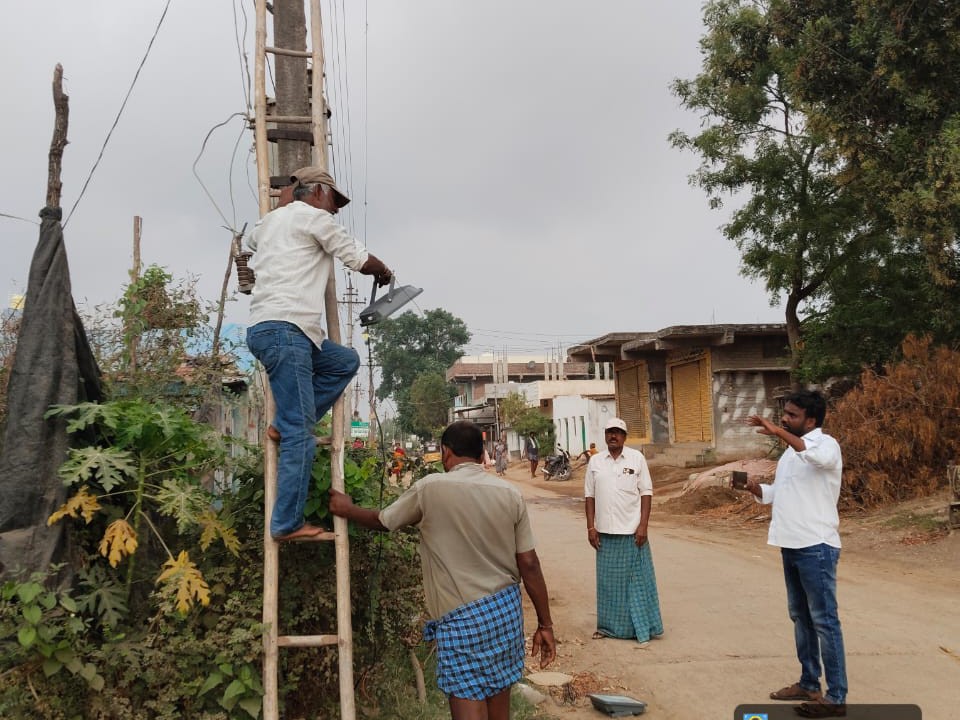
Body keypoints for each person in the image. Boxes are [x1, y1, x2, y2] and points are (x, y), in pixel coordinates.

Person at [329, 420, 556, 720]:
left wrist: (347, 509)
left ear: (446, 453)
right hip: (505, 616)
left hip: (461, 621)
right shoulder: (509, 493)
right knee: (499, 702)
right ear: (482, 452)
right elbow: (529, 563)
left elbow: (384, 521)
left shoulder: (430, 489)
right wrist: (546, 625)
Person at [245, 166, 393, 541]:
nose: (335, 210)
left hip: (272, 331)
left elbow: (250, 242)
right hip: (288, 330)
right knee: (301, 438)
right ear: (314, 194)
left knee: (345, 361)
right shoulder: (313, 218)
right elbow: (358, 258)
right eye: (333, 200)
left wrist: (285, 200)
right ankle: (285, 524)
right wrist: (384, 271)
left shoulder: (266, 226)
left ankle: (287, 422)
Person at [744, 390, 847, 718]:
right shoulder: (790, 455)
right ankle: (808, 682)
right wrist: (755, 489)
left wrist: (778, 432)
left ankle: (836, 697)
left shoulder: (825, 445)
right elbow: (780, 492)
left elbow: (817, 458)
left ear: (811, 420)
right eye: (784, 415)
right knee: (801, 618)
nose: (785, 419)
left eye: (791, 415)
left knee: (824, 621)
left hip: (816, 546)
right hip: (791, 545)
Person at [584, 417, 663, 644]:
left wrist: (643, 525)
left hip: (632, 533)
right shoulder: (596, 462)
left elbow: (646, 492)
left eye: (618, 432)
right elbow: (589, 496)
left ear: (625, 437)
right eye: (610, 432)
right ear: (605, 435)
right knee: (608, 585)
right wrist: (591, 527)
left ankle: (641, 627)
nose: (613, 436)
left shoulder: (637, 459)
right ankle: (608, 627)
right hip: (605, 534)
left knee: (636, 582)